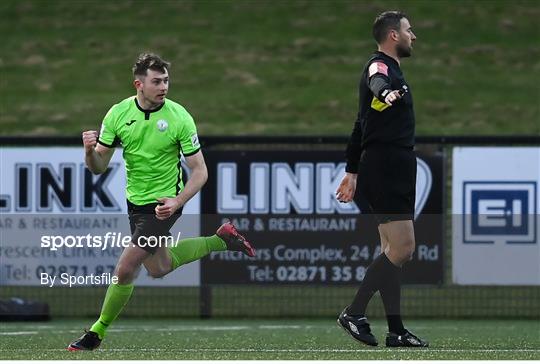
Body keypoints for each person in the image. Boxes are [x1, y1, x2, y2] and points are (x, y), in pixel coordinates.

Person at [68, 53, 255, 351]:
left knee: (125, 268)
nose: (164, 86)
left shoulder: (179, 117)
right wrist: (89, 152)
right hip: (136, 204)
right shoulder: (117, 113)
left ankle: (96, 332)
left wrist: (177, 200)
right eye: (157, 81)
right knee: (159, 268)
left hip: (165, 204)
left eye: (166, 80)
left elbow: (200, 171)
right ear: (138, 84)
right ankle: (221, 240)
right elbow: (98, 167)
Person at [335, 11, 428, 347]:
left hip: (383, 163)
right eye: (408, 30)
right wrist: (385, 91)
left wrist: (351, 170)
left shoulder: (394, 71)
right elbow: (377, 78)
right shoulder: (381, 67)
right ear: (393, 35)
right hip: (389, 164)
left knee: (390, 250)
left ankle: (396, 330)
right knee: (403, 248)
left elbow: (361, 124)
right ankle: (354, 312)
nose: (412, 35)